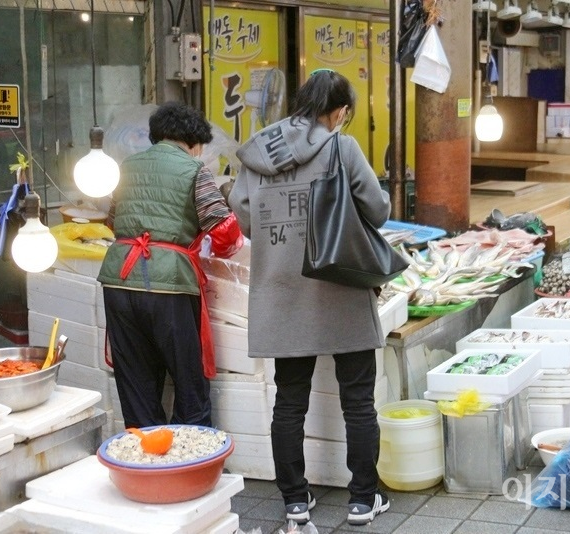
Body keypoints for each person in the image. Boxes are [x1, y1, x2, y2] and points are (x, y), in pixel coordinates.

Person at [228, 69, 391, 526]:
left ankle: (295, 501)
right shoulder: (341, 146)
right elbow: (376, 209)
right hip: (340, 283)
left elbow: (242, 217)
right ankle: (362, 499)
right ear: (339, 111)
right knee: (358, 399)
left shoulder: (258, 149)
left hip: (281, 291)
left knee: (289, 400)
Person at [97, 102, 243, 429]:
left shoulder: (129, 166)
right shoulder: (193, 170)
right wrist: (218, 248)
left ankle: (146, 461)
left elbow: (113, 222)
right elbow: (224, 227)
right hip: (169, 285)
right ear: (193, 141)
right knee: (189, 379)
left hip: (118, 282)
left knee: (136, 381)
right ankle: (190, 458)